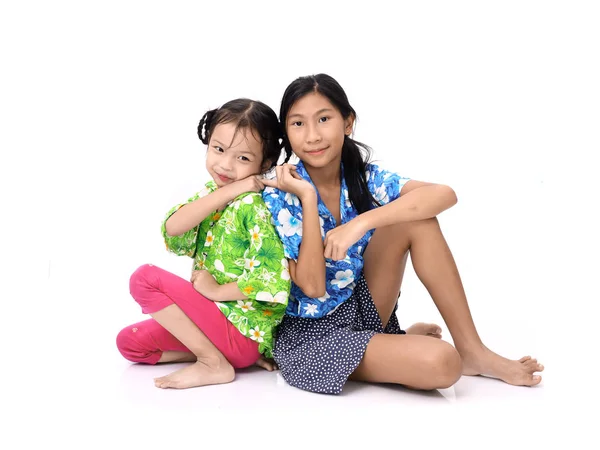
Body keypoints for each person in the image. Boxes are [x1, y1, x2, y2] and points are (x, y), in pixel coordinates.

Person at [261, 74, 544, 395]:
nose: (312, 136)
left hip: (359, 309)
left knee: (417, 220)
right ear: (286, 130)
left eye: (324, 119)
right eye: (298, 124)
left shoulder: (362, 177)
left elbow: (443, 194)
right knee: (442, 364)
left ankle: (472, 350)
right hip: (314, 337)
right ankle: (397, 346)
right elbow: (312, 287)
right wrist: (308, 199)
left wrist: (360, 223)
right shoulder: (281, 193)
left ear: (348, 122)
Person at [116, 98, 291, 389]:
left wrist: (216, 291)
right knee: (131, 343)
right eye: (218, 149)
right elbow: (173, 229)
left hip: (239, 331)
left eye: (243, 158)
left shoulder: (254, 206)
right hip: (215, 329)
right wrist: (233, 188)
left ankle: (213, 363)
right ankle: (211, 355)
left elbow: (271, 279)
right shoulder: (215, 193)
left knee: (144, 278)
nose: (225, 164)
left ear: (265, 164)